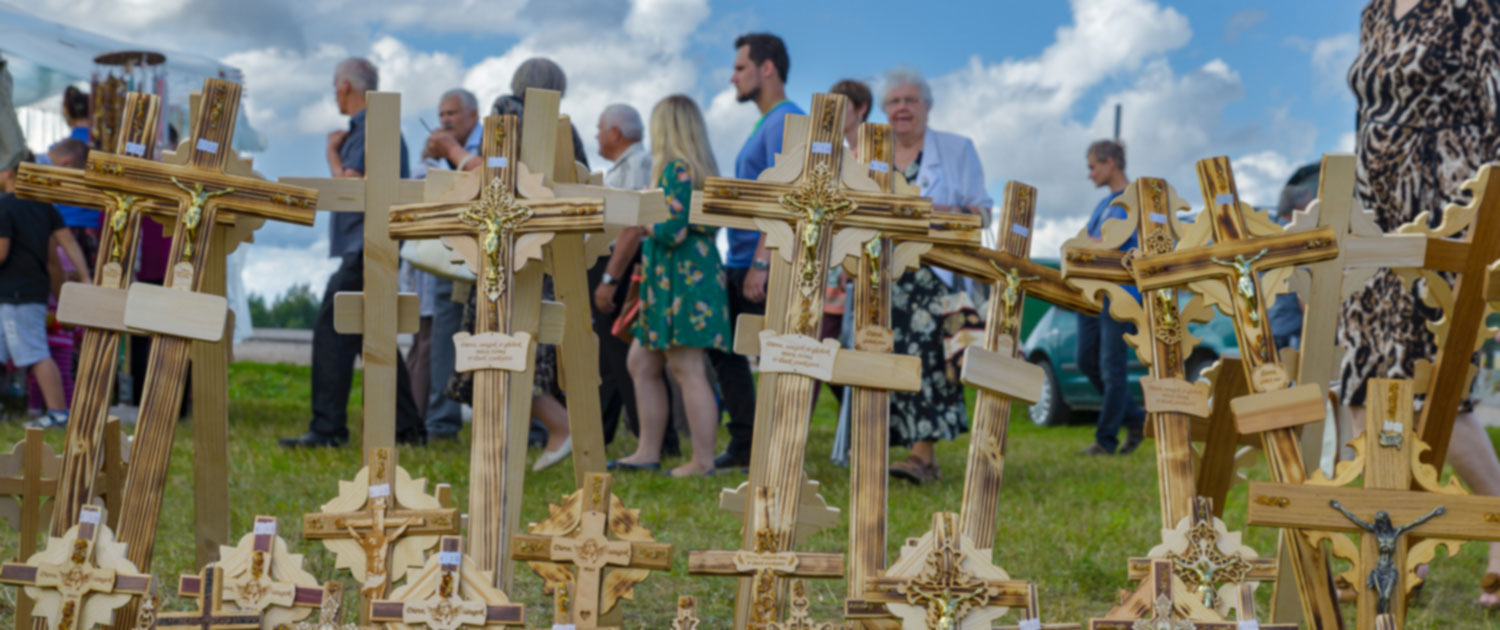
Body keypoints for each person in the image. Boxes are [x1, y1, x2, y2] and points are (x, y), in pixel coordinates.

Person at [1341, 0, 1500, 606]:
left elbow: (1495, 118)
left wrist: (1481, 232)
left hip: (1445, 208)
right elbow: (1365, 116)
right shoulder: (1375, 13)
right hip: (1375, 214)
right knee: (1363, 380)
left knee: (1436, 385)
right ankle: (1392, 547)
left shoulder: (1472, 8)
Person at [280, 57, 425, 449]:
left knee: (333, 328)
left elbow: (352, 186)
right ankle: (407, 429)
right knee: (373, 331)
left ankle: (328, 430)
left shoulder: (371, 129)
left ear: (345, 86)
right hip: (373, 245)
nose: (335, 94)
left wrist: (332, 153)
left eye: (335, 87)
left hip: (366, 246)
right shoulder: (378, 128)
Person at [447, 60, 583, 470]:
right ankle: (502, 445)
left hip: (506, 246)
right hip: (547, 249)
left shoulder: (507, 110)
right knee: (520, 345)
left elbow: (492, 175)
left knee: (499, 345)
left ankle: (559, 426)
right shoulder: (566, 129)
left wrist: (455, 154)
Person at [607, 95, 730, 478]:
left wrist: (640, 215)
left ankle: (703, 460)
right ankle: (647, 451)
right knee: (641, 361)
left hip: (682, 281)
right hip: (677, 279)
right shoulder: (697, 169)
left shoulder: (678, 169)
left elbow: (671, 231)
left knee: (687, 366)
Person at [879, 67, 991, 483]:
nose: (902, 108)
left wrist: (937, 213)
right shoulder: (871, 155)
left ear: (927, 106)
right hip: (887, 278)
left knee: (930, 361)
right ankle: (892, 447)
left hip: (935, 279)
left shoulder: (957, 149)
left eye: (911, 100)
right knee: (886, 356)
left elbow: (983, 213)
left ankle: (922, 455)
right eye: (894, 101)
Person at [712, 32, 802, 470]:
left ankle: (768, 448)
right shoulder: (766, 122)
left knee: (768, 354)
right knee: (727, 350)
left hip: (760, 261)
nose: (733, 78)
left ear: (767, 68)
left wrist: (762, 262)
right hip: (741, 257)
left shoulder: (787, 121)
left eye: (740, 68)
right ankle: (748, 443)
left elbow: (787, 198)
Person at [0, 155, 91, 428]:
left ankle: (58, 413)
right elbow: (68, 242)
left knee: (35, 353)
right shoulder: (44, 206)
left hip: (15, 295)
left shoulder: (4, 207)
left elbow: (1, 252)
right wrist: (85, 276)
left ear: (10, 172)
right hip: (30, 291)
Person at [418, 88, 482, 442]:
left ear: (473, 115)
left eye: (452, 113)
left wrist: (452, 152)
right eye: (441, 114)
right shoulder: (437, 150)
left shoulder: (490, 141)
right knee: (445, 338)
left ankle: (527, 423)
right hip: (451, 252)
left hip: (490, 254)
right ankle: (442, 423)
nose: (445, 120)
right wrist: (431, 158)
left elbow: (488, 179)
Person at [1074, 139, 1146, 457]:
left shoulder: (1135, 199)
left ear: (1110, 163)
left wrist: (1088, 244)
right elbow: (1088, 240)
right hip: (1093, 292)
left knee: (1111, 368)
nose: (1090, 174)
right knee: (1084, 360)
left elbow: (1105, 243)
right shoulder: (1103, 204)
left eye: (1093, 167)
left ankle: (1105, 441)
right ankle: (1137, 419)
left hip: (1121, 294)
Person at [592, 103, 652, 446]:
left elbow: (632, 225)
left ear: (615, 133)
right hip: (614, 263)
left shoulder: (638, 164)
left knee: (622, 350)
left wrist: (609, 280)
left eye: (600, 128)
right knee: (609, 357)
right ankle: (600, 431)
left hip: (622, 264)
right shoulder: (623, 166)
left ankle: (651, 435)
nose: (597, 136)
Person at [1269, 163, 1318, 351]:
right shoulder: (1295, 238)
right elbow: (1303, 289)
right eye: (1311, 207)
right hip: (1294, 331)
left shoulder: (1269, 235)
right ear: (1299, 209)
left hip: (1270, 325)